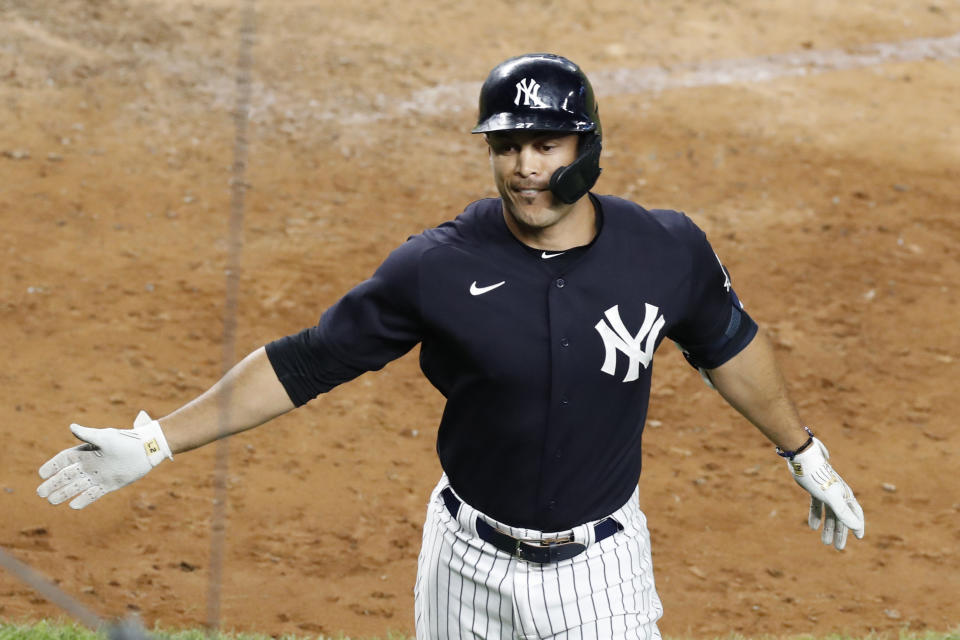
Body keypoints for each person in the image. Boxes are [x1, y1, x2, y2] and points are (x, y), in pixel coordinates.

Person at [37, 53, 864, 640]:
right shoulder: (437, 266)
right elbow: (306, 362)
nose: (525, 166)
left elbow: (728, 343)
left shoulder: (666, 250)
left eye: (546, 145)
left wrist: (802, 449)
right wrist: (154, 440)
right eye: (507, 146)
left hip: (598, 571)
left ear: (587, 148)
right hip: (464, 562)